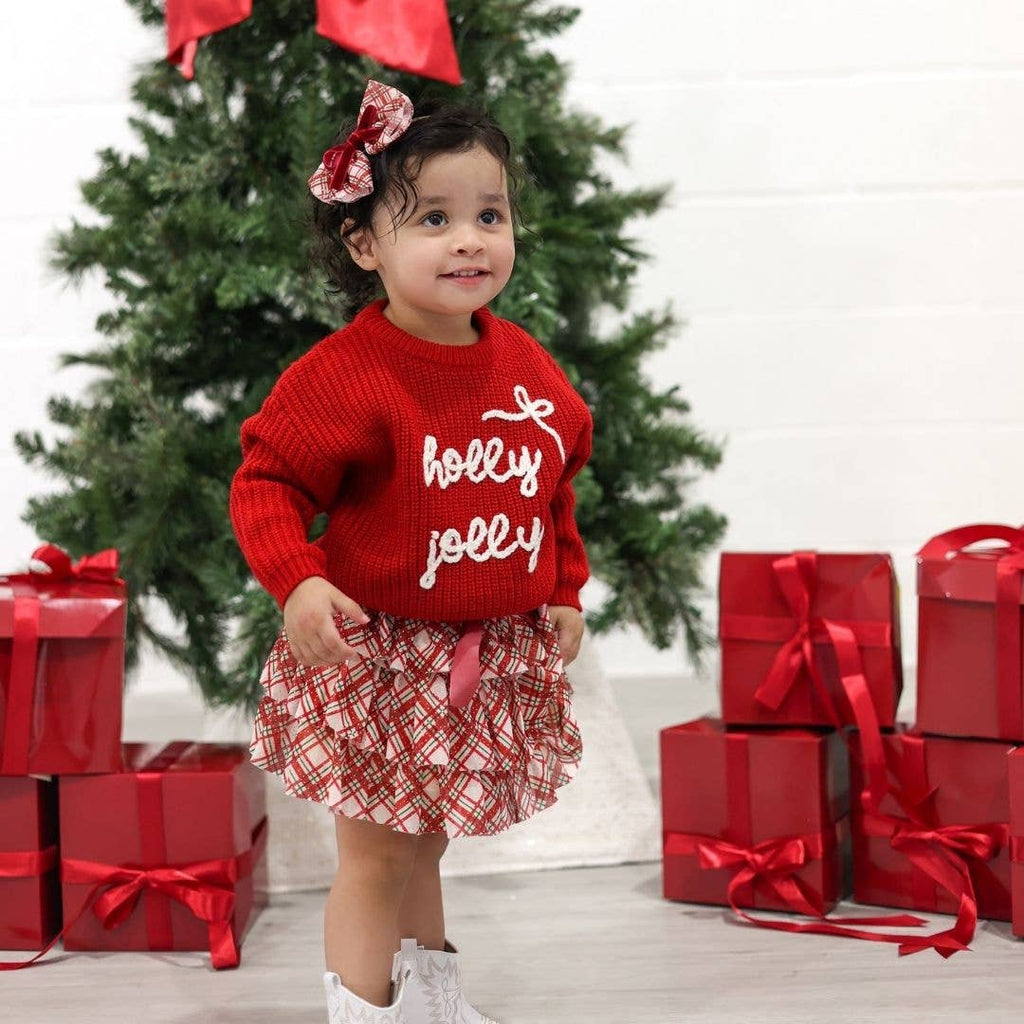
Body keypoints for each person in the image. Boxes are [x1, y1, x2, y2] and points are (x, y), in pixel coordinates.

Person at [229, 79, 593, 1024]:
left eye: (489, 214)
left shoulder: (522, 366)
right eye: (432, 218)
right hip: (376, 655)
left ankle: (431, 1000)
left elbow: (548, 484)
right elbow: (266, 484)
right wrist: (298, 581)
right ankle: (364, 1011)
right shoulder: (347, 375)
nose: (468, 238)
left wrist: (563, 587)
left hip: (478, 655)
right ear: (364, 243)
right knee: (378, 852)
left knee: (426, 843)